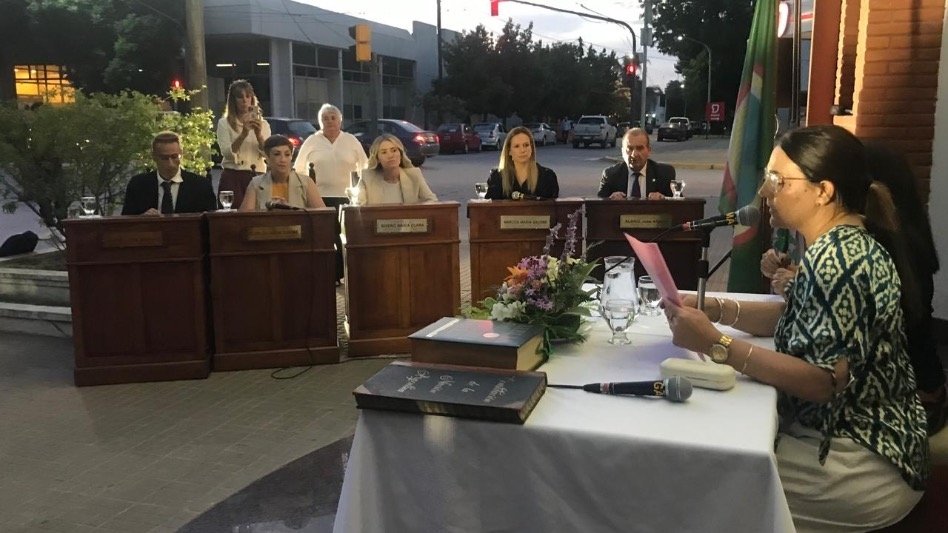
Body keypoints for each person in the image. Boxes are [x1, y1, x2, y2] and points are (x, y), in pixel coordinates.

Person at [664, 125, 929, 532]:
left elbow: (823, 382)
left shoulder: (838, 260)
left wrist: (717, 345)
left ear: (823, 191)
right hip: (843, 440)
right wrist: (714, 308)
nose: (765, 192)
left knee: (698, 486)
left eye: (777, 181)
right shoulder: (838, 242)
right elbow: (800, 316)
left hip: (857, 457)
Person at [122, 131, 217, 215]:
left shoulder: (200, 186)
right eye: (164, 158)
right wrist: (143, 219)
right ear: (154, 157)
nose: (170, 163)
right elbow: (125, 222)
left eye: (174, 157)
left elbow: (211, 222)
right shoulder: (138, 185)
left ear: (181, 154)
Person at [293, 103, 368, 198]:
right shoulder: (311, 141)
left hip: (349, 197)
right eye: (325, 119)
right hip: (318, 197)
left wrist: (361, 192)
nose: (330, 121)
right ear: (320, 122)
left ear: (340, 121)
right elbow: (299, 170)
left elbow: (365, 167)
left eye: (333, 118)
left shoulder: (351, 140)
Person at [216, 79, 270, 210]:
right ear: (233, 100)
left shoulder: (263, 124)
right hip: (233, 175)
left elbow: (268, 154)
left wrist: (258, 135)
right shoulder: (224, 123)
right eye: (240, 97)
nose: (245, 101)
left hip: (257, 175)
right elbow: (227, 153)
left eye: (248, 96)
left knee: (258, 212)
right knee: (233, 213)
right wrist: (243, 134)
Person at [239, 135, 326, 211]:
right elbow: (245, 218)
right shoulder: (256, 184)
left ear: (291, 158)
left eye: (287, 154)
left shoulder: (306, 182)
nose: (283, 159)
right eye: (277, 154)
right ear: (267, 159)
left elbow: (321, 216)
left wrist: (288, 210)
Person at [355, 134, 437, 205]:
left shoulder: (414, 175)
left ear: (400, 154)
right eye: (384, 152)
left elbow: (432, 200)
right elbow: (359, 207)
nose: (390, 155)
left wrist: (417, 212)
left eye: (394, 150)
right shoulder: (367, 178)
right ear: (377, 158)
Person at [597, 127, 675, 199]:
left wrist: (664, 199)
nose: (634, 154)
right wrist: (610, 200)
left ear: (649, 151)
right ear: (622, 152)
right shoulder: (610, 175)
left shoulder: (665, 173)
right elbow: (598, 205)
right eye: (630, 149)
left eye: (639, 148)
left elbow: (677, 204)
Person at [484, 126, 559, 200]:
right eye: (517, 146)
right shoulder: (497, 178)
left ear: (531, 148)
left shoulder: (547, 176)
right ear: (509, 151)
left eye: (526, 145)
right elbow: (489, 205)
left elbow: (554, 205)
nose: (522, 150)